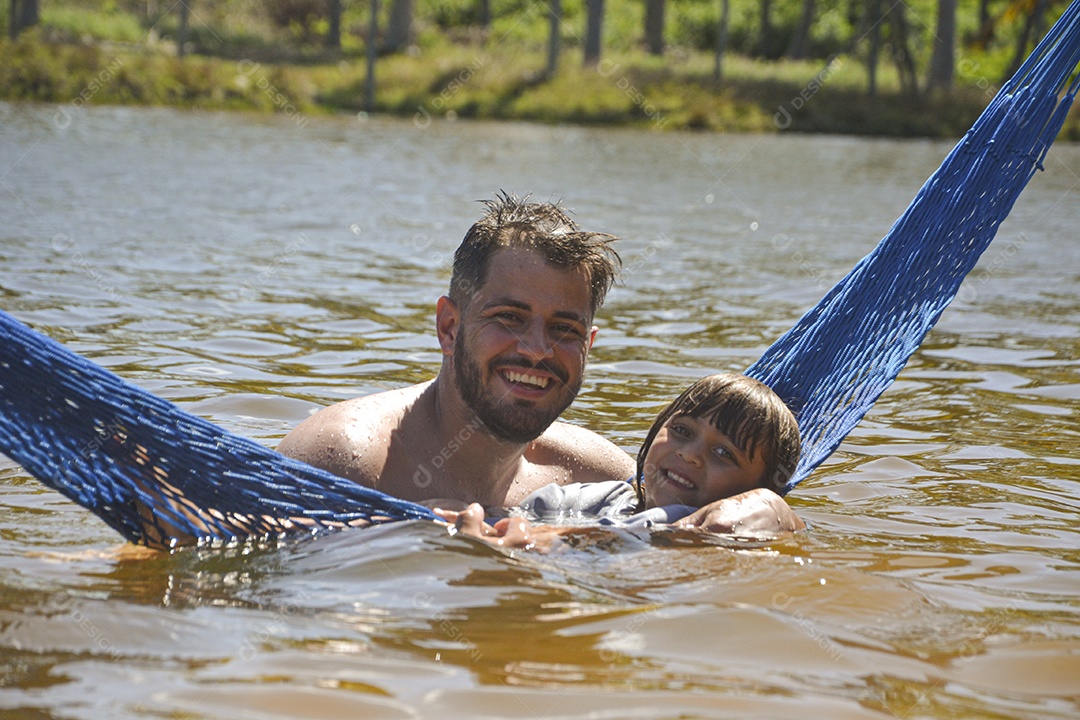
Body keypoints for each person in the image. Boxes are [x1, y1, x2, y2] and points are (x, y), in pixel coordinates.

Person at [277, 192, 800, 536]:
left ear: (588, 346)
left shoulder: (600, 473)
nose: (536, 350)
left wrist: (776, 513)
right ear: (449, 327)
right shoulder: (345, 463)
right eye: (509, 317)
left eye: (564, 330)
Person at [444, 373, 806, 551]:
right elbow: (522, 517)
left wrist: (545, 538)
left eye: (724, 453)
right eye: (681, 430)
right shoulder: (597, 498)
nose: (689, 453)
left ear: (753, 488)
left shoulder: (708, 523)